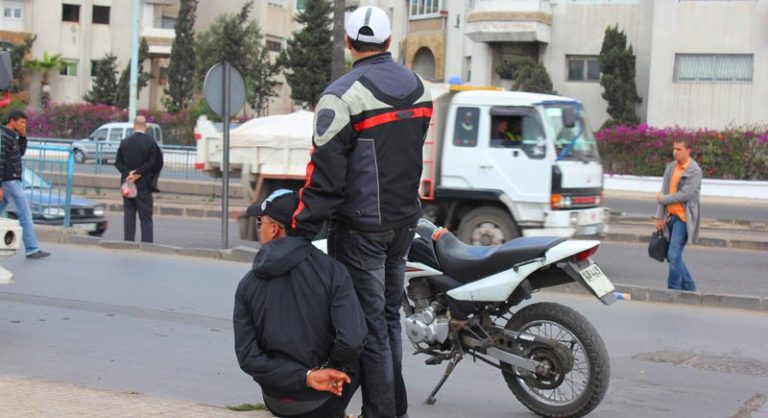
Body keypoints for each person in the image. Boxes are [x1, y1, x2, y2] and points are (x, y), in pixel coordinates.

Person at [290, 6, 432, 418]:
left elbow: (325, 175)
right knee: (388, 317)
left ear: (349, 43)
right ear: (389, 41)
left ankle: (382, 412)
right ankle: (393, 407)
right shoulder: (419, 87)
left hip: (361, 229)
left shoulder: (341, 95)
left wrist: (302, 227)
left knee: (370, 325)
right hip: (405, 222)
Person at [234, 189, 367, 418]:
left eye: (260, 223)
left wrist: (305, 376)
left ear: (275, 229)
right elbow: (352, 341)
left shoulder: (248, 284)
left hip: (277, 401)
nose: (259, 229)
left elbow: (248, 358)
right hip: (324, 399)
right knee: (371, 341)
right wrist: (324, 371)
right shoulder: (334, 272)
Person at [0, 110, 49, 259]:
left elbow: (20, 153)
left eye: (25, 122)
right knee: (25, 214)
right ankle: (32, 249)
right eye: (21, 122)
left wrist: (23, 136)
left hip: (12, 180)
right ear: (12, 121)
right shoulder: (3, 137)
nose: (23, 125)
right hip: (9, 181)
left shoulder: (12, 136)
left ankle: (32, 248)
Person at [655, 140, 701, 291]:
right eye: (674, 148)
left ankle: (674, 289)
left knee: (674, 255)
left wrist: (663, 199)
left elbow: (684, 195)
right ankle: (689, 288)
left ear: (688, 151)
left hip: (683, 219)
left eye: (679, 149)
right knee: (671, 256)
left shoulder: (694, 171)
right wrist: (659, 217)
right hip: (670, 217)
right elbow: (664, 191)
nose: (675, 152)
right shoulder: (671, 167)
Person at [114, 116, 163, 242]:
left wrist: (129, 173)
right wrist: (139, 173)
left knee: (129, 215)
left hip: (128, 185)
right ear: (145, 126)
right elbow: (155, 162)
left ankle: (128, 242)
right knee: (146, 217)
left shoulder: (125, 142)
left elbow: (118, 162)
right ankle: (146, 244)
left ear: (134, 126)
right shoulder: (150, 142)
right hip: (144, 185)